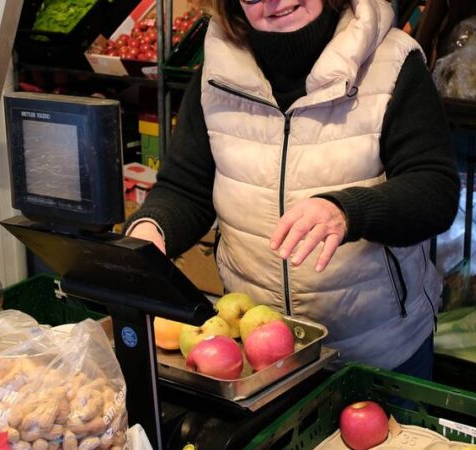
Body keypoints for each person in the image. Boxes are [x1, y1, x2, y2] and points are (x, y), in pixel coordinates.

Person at [126, 0, 459, 379]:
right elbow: (186, 187)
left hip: (378, 351)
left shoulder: (391, 61)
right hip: (256, 355)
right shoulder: (216, 72)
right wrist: (150, 232)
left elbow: (435, 189)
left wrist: (347, 211)